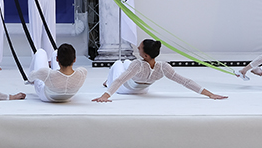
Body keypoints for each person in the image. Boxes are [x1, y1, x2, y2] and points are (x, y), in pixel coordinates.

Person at [93, 39, 227, 102]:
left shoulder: (137, 65)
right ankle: (108, 81)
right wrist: (210, 94)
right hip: (143, 91)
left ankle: (107, 82)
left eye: (139, 48)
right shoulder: (163, 67)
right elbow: (185, 81)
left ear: (145, 55)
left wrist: (105, 96)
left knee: (118, 63)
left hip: (126, 90)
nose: (137, 49)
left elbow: (120, 80)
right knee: (127, 63)